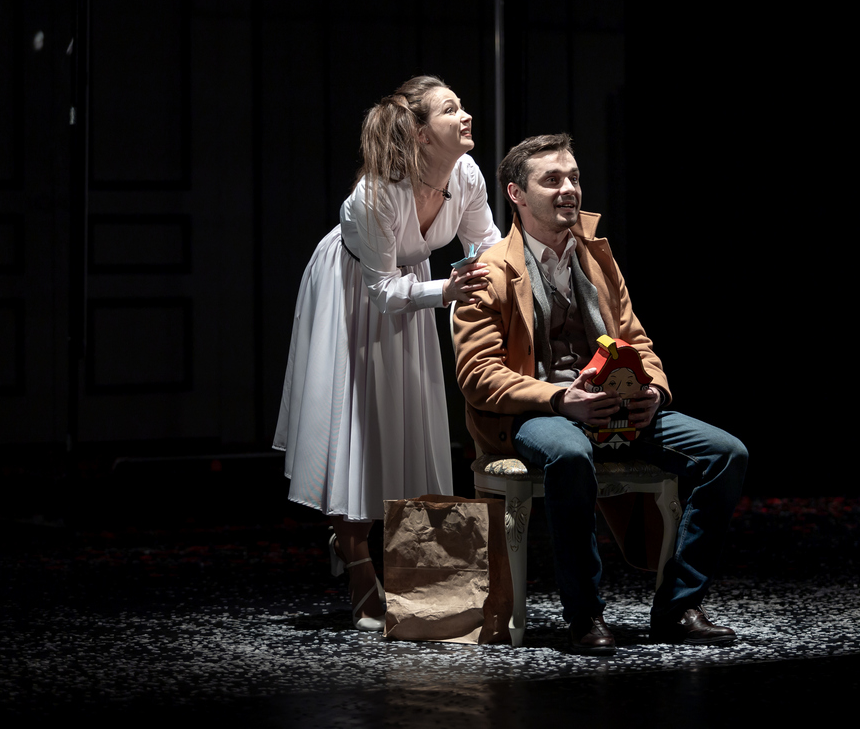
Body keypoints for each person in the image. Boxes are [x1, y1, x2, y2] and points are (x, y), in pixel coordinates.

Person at [453, 134, 748, 655]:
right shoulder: (489, 270)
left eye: (573, 178)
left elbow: (637, 340)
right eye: (552, 180)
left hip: (616, 405)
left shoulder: (597, 257)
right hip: (536, 412)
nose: (568, 189)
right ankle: (584, 614)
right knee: (569, 453)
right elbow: (478, 375)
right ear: (516, 194)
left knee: (726, 453)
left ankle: (679, 607)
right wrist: (559, 399)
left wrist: (653, 390)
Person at [274, 76, 501, 631]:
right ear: (421, 134)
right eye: (451, 109)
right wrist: (446, 291)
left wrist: (505, 280)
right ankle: (356, 561)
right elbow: (380, 290)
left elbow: (487, 243)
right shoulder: (376, 195)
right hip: (352, 292)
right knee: (354, 429)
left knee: (410, 425)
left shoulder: (465, 174)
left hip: (414, 288)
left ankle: (419, 578)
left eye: (463, 105)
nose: (466, 116)